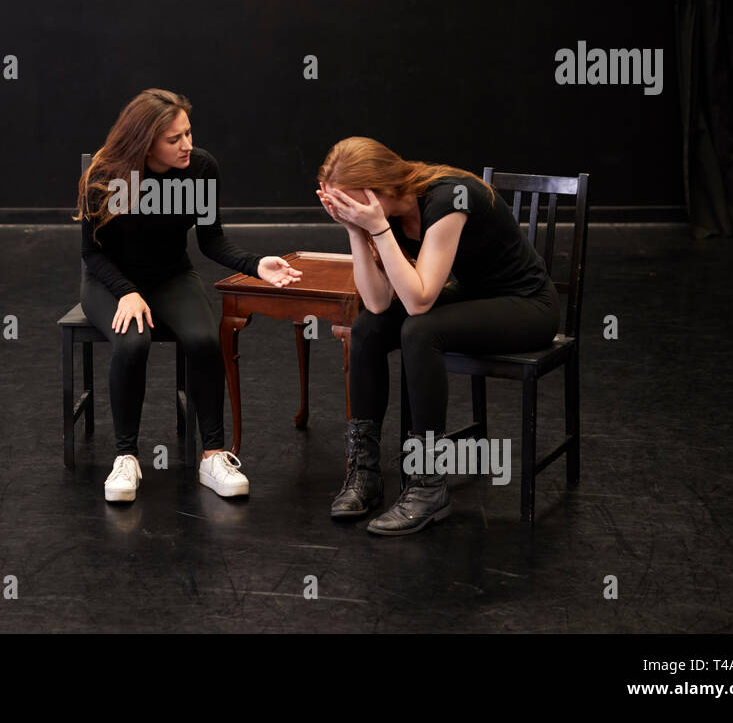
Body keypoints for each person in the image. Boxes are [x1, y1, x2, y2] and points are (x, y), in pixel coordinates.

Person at [314, 137, 560, 535]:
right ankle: (365, 472)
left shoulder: (448, 198)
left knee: (419, 329)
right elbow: (377, 303)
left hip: (528, 306)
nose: (349, 210)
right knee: (367, 327)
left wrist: (375, 227)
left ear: (379, 188)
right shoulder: (386, 213)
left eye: (352, 202)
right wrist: (355, 230)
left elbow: (419, 300)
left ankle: (429, 484)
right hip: (476, 297)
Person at [76, 89, 302, 503]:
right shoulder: (106, 174)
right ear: (146, 142)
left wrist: (256, 264)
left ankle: (212, 456)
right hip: (109, 281)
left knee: (203, 340)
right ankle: (126, 457)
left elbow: (212, 241)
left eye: (188, 133)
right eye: (174, 138)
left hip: (170, 275)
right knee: (133, 342)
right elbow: (92, 254)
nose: (187, 145)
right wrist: (126, 292)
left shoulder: (200, 168)